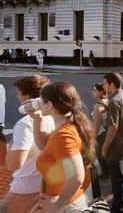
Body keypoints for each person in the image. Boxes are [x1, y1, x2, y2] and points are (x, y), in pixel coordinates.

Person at [31, 82, 95, 211]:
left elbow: (76, 177)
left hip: (66, 205)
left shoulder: (63, 136)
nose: (39, 103)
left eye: (41, 101)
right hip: (69, 199)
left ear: (49, 105)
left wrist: (56, 205)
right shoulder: (70, 124)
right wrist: (37, 119)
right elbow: (43, 145)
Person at [4, 76, 55, 213]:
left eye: (18, 93)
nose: (17, 97)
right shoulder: (53, 116)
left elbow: (14, 164)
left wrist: (10, 149)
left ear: (27, 97)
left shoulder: (25, 123)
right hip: (46, 184)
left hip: (25, 188)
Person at [102, 73, 123, 212]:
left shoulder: (114, 101)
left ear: (112, 84)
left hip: (116, 149)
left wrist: (104, 147)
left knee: (117, 181)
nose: (103, 86)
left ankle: (118, 208)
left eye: (105, 83)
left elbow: (112, 127)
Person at [91, 83, 109, 179]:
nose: (92, 92)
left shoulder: (98, 106)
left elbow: (97, 124)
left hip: (101, 133)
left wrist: (93, 137)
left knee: (100, 154)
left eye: (95, 90)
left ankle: (105, 173)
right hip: (106, 131)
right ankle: (107, 171)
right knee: (105, 152)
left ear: (101, 92)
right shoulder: (107, 101)